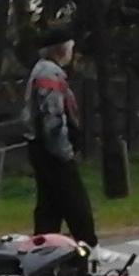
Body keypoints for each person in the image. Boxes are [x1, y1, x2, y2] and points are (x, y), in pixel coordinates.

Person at [23, 26, 97, 245]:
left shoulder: (43, 70)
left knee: (49, 206)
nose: (72, 52)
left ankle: (43, 251)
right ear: (61, 50)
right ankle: (89, 248)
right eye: (71, 48)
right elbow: (52, 116)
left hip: (39, 148)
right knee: (76, 203)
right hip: (51, 150)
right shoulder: (49, 74)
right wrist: (65, 152)